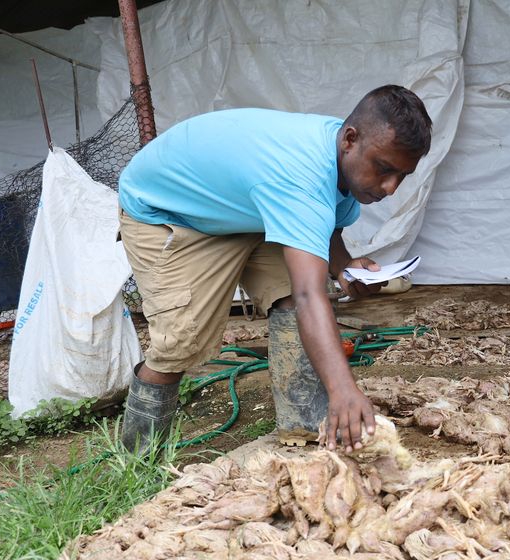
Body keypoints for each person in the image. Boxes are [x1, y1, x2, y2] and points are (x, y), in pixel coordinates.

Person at [117, 85, 432, 454]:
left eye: (402, 175)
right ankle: (137, 458)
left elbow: (325, 224)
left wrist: (345, 267)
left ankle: (304, 430)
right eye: (383, 169)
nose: (391, 187)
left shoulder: (340, 156)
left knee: (291, 306)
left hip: (240, 212)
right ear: (350, 139)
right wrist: (344, 389)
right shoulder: (300, 174)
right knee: (181, 340)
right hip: (167, 213)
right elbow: (309, 291)